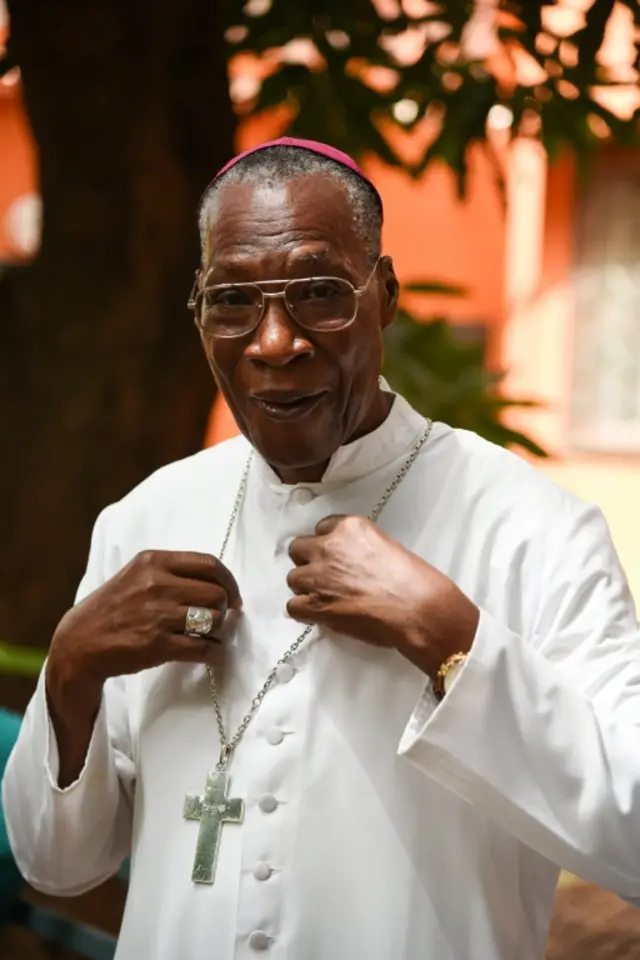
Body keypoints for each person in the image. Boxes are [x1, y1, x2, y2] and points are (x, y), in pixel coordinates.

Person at [4, 137, 640, 960]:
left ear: (385, 294)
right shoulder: (147, 517)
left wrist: (452, 640)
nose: (275, 341)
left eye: (318, 293)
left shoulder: (535, 530)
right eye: (233, 301)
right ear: (198, 313)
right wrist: (74, 670)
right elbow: (55, 865)